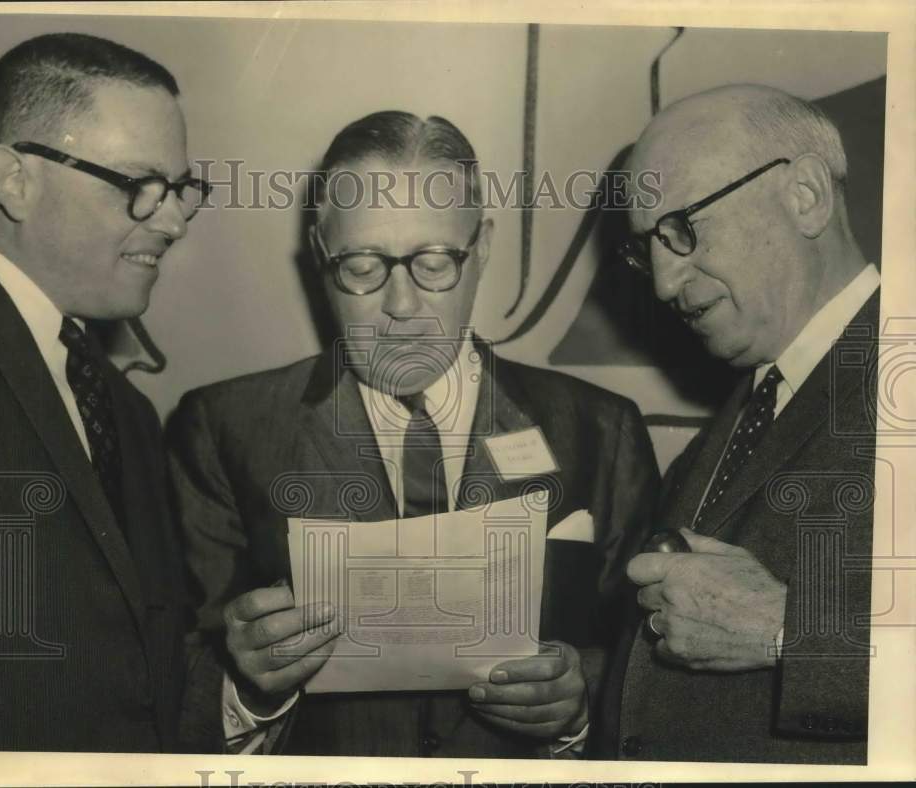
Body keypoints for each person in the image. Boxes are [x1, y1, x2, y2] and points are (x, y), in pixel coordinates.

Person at [167, 110, 659, 757]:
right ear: (321, 256)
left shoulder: (600, 429)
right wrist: (247, 686)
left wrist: (579, 706)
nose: (401, 307)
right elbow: (168, 680)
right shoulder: (222, 428)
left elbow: (643, 671)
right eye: (364, 265)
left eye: (432, 262)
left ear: (480, 248)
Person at [0, 33, 217, 751]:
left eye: (182, 190)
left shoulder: (129, 412)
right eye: (140, 186)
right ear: (15, 179)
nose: (175, 220)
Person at [597, 84, 879, 763]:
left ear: (805, 195)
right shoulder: (724, 436)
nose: (665, 283)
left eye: (684, 228)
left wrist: (786, 632)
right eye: (648, 249)